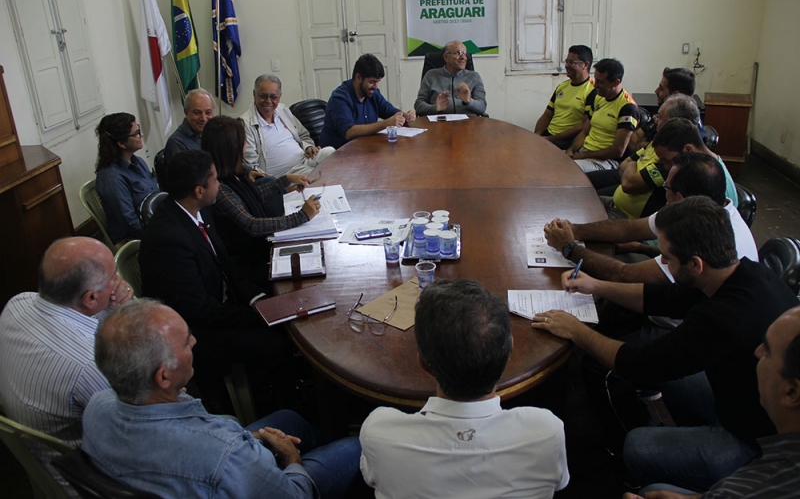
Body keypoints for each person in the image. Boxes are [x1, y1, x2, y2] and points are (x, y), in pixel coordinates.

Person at [533, 196, 800, 491]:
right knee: (676, 381)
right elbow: (663, 299)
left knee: (637, 445)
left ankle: (632, 471)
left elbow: (638, 364)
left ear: (696, 264)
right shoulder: (739, 274)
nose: (662, 262)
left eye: (667, 258)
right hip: (744, 397)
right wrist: (596, 285)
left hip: (753, 443)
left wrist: (576, 331)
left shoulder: (723, 319)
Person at [81, 299, 361, 499]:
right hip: (271, 482)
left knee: (289, 420)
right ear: (163, 378)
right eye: (185, 342)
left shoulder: (97, 406)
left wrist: (247, 440)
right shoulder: (224, 453)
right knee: (359, 447)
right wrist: (291, 459)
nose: (194, 342)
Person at [360, 279, 569, 498]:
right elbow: (559, 483)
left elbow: (370, 477)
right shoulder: (547, 433)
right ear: (510, 350)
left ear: (422, 363)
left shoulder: (379, 433)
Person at [139, 150, 298, 399]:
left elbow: (227, 266)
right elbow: (199, 309)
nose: (219, 185)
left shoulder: (198, 211)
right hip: (198, 331)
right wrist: (255, 316)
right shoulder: (167, 240)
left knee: (285, 309)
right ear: (199, 190)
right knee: (277, 342)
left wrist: (258, 300)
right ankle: (273, 400)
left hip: (220, 304)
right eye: (214, 180)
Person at [623, 305, 800, 499]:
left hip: (750, 446)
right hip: (748, 427)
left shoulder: (763, 483)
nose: (757, 352)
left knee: (645, 473)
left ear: (792, 392)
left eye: (768, 350)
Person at [0, 237, 132, 481]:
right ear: (91, 298)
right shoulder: (90, 365)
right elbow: (138, 433)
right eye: (114, 276)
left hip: (40, 460)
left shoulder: (17, 303)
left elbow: (81, 321)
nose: (119, 282)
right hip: (90, 476)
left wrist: (113, 306)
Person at [545, 153, 756, 288]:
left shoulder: (699, 232)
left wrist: (569, 248)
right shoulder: (704, 209)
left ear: (680, 197)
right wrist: (574, 230)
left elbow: (625, 275)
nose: (664, 195)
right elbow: (630, 229)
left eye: (667, 189)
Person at [201, 115, 320, 286]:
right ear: (231, 149)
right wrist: (301, 217)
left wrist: (285, 180)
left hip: (261, 251)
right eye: (242, 143)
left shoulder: (236, 174)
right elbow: (252, 225)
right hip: (251, 265)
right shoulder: (220, 189)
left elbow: (252, 197)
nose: (245, 147)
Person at [242, 74, 335, 176]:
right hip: (284, 175)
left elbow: (303, 135)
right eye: (263, 96)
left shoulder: (282, 110)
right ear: (254, 94)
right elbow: (251, 165)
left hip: (304, 159)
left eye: (273, 97)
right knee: (323, 174)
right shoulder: (246, 124)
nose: (268, 101)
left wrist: (308, 147)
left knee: (331, 152)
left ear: (279, 97)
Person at [319, 54, 416, 149]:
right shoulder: (340, 98)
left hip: (364, 150)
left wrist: (404, 116)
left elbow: (390, 112)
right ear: (358, 78)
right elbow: (349, 132)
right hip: (337, 155)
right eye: (372, 82)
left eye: (377, 82)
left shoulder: (373, 93)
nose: (375, 86)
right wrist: (385, 123)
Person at [94, 112, 159, 244]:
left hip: (153, 225)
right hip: (133, 239)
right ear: (121, 143)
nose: (141, 135)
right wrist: (161, 234)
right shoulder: (112, 177)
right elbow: (129, 223)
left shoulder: (138, 162)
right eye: (136, 133)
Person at [568, 58, 640, 172]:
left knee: (565, 170)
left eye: (601, 82)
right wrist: (571, 150)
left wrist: (585, 155)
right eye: (596, 79)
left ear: (616, 82)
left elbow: (618, 150)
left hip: (605, 161)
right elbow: (585, 131)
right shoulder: (598, 97)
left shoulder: (627, 108)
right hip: (584, 153)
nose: (595, 85)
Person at [653, 114, 738, 206]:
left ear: (688, 150)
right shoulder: (699, 172)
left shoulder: (712, 185)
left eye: (667, 160)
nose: (665, 167)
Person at [534, 44, 594, 149]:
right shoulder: (562, 87)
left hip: (567, 141)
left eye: (572, 62)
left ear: (585, 65)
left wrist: (550, 140)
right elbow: (547, 115)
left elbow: (584, 126)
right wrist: (537, 136)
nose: (567, 66)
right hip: (549, 136)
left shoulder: (593, 91)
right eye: (567, 61)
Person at [414, 41, 487, 116]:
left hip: (469, 123)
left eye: (464, 53)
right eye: (458, 53)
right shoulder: (431, 75)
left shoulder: (474, 76)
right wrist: (435, 108)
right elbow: (419, 105)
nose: (463, 57)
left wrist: (469, 101)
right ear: (446, 57)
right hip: (439, 123)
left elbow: (482, 107)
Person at [164, 88, 215, 163]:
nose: (203, 118)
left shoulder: (213, 134)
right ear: (186, 112)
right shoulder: (176, 143)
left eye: (208, 112)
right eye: (197, 113)